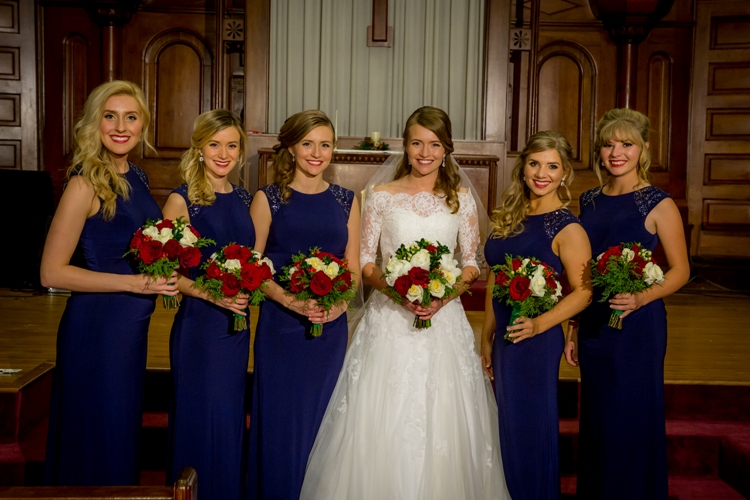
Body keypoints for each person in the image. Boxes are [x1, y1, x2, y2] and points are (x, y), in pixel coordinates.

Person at [300, 106, 509, 500]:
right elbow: (365, 263)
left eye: (434, 144)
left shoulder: (461, 200)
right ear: (405, 146)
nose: (425, 153)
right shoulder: (381, 197)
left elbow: (472, 264)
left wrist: (441, 297)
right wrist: (399, 292)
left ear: (446, 149)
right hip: (390, 320)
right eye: (416, 143)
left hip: (444, 321)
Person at [41, 80, 179, 485]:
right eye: (110, 116)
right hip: (96, 330)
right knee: (98, 435)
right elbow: (51, 273)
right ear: (94, 123)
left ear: (143, 125)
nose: (121, 127)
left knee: (118, 433)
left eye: (130, 117)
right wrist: (136, 284)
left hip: (128, 331)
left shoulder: (137, 176)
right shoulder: (84, 183)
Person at [566, 108, 689, 499]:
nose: (616, 153)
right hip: (594, 325)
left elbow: (681, 270)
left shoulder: (658, 203)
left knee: (629, 416)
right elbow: (584, 272)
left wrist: (640, 297)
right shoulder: (589, 200)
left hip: (638, 327)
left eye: (626, 144)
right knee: (598, 415)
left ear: (644, 148)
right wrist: (573, 327)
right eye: (608, 145)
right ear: (599, 152)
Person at [247, 110, 360, 500]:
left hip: (330, 330)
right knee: (281, 422)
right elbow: (252, 267)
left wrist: (339, 306)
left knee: (323, 421)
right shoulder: (267, 198)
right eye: (307, 144)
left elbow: (353, 267)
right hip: (281, 327)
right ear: (292, 148)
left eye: (325, 145)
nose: (316, 153)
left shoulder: (346, 201)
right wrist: (288, 299)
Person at [480, 130, 592, 499]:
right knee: (506, 425)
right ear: (523, 167)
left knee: (528, 426)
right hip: (504, 338)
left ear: (565, 173)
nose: (542, 174)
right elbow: (495, 277)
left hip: (536, 341)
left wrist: (539, 324)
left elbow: (585, 292)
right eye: (534, 164)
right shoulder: (508, 216)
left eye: (552, 166)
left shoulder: (568, 227)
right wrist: (486, 335)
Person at [162, 109, 253, 499]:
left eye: (232, 145)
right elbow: (167, 275)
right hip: (201, 326)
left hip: (237, 327)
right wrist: (211, 293)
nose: (223, 154)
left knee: (228, 418)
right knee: (200, 418)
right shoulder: (181, 200)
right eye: (215, 144)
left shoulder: (245, 198)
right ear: (199, 147)